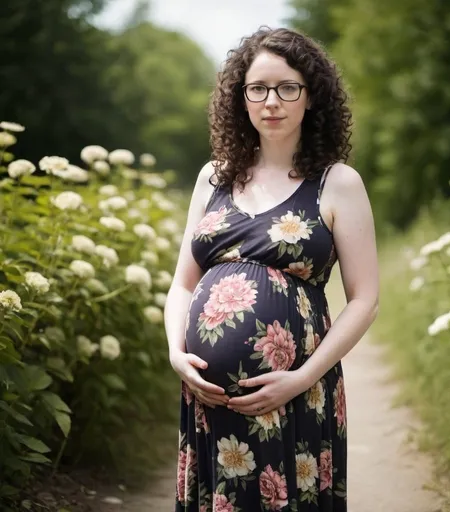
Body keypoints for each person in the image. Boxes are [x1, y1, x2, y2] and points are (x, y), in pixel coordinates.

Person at [165, 26, 379, 512]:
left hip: (297, 394)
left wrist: (301, 377)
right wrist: (177, 353)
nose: (271, 102)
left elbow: (365, 299)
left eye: (287, 88)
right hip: (208, 401)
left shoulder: (338, 183)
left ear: (311, 97)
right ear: (241, 98)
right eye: (257, 88)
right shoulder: (213, 176)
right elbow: (182, 284)